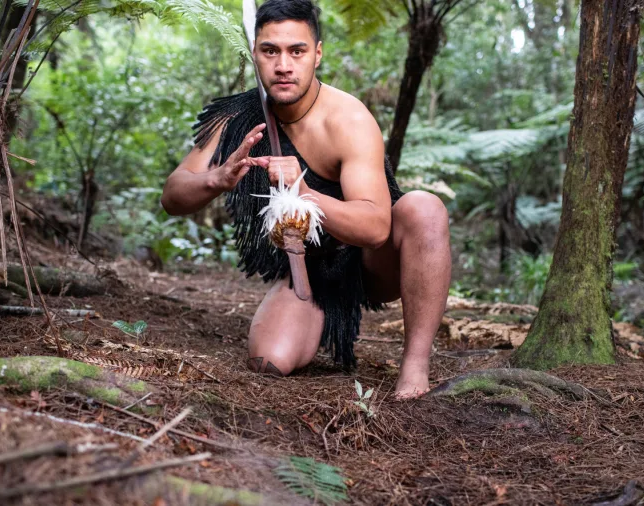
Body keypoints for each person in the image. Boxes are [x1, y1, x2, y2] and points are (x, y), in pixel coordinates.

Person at [161, 0, 450, 398]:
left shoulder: (348, 119)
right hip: (305, 268)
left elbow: (376, 227)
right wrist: (217, 177)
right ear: (256, 54)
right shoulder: (238, 117)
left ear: (317, 54)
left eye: (296, 51)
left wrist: (305, 192)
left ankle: (415, 367)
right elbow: (173, 196)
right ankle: (310, 312)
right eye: (270, 51)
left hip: (372, 264)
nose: (283, 65)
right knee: (269, 361)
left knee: (424, 208)